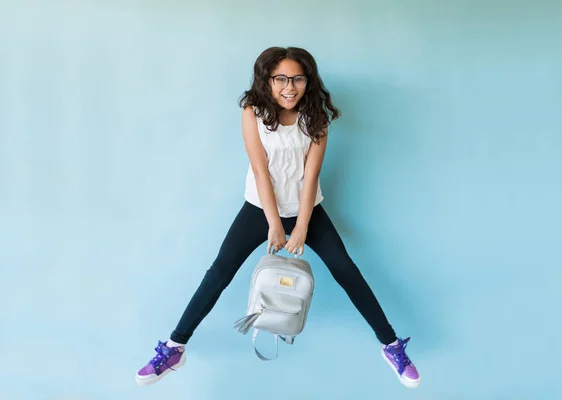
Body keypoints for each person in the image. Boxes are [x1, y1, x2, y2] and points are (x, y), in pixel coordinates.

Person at [135, 46, 420, 389]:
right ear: (267, 81)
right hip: (260, 207)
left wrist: (301, 225)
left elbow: (311, 175)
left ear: (308, 81)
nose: (290, 87)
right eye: (281, 79)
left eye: (298, 79)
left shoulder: (316, 117)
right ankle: (175, 347)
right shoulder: (252, 111)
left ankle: (391, 345)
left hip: (306, 208)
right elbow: (260, 171)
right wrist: (274, 223)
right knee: (219, 271)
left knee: (346, 270)